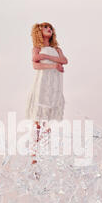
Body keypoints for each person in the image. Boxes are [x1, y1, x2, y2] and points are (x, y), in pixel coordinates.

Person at [25, 22, 68, 171]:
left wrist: (45, 57)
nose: (49, 29)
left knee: (48, 124)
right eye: (45, 28)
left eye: (50, 28)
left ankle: (43, 155)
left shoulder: (57, 49)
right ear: (39, 31)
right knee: (38, 123)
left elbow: (64, 60)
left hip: (54, 87)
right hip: (43, 85)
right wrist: (51, 64)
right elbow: (36, 65)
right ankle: (34, 157)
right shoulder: (37, 49)